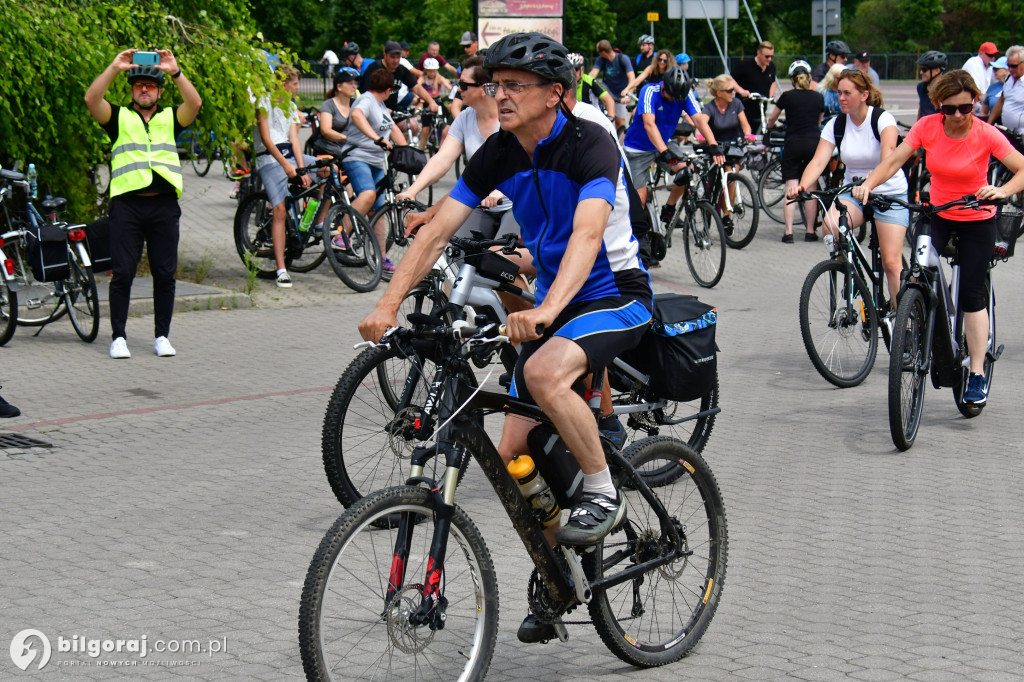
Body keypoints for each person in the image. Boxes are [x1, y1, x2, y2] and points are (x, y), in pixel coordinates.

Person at [360, 34, 652, 574]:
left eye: (516, 85)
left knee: (542, 372)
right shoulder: (499, 151)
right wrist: (388, 303)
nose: (502, 96)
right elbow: (438, 228)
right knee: (515, 452)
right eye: (497, 85)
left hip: (613, 294)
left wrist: (544, 310)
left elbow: (588, 238)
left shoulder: (592, 144)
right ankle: (555, 574)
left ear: (555, 94)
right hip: (554, 299)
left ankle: (603, 488)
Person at [853, 69, 1024, 405]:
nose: (959, 115)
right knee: (916, 274)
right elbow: (895, 161)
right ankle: (924, 316)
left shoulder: (986, 134)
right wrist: (869, 184)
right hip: (938, 215)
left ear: (974, 102)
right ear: (937, 106)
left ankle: (975, 373)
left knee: (972, 295)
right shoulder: (927, 128)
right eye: (950, 109)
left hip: (977, 218)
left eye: (966, 108)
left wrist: (1000, 190)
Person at [85, 48, 201, 359]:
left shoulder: (169, 117)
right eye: (139, 86)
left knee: (165, 273)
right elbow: (91, 100)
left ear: (159, 91)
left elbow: (195, 103)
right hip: (127, 207)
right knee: (122, 272)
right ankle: (118, 336)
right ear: (133, 90)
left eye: (150, 86)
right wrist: (114, 67)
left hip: (163, 206)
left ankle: (162, 336)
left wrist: (175, 71)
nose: (145, 90)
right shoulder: (119, 117)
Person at [795, 69, 909, 306]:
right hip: (855, 193)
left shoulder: (882, 119)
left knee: (890, 263)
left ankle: (902, 321)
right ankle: (853, 275)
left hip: (889, 192)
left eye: (848, 93)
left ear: (864, 94)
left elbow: (888, 156)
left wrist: (871, 181)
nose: (841, 98)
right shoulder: (836, 125)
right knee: (830, 228)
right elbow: (818, 161)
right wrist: (802, 186)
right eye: (839, 93)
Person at [398, 61, 515, 238]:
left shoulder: (509, 118)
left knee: (502, 256)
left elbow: (523, 164)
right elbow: (442, 159)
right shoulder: (465, 119)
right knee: (456, 248)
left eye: (463, 85)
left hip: (514, 204)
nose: (458, 90)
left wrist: (500, 190)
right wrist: (412, 190)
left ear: (484, 89)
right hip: (477, 203)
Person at [622, 66, 724, 231]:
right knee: (638, 199)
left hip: (664, 142)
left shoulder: (684, 94)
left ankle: (669, 209)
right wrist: (664, 152)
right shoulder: (649, 91)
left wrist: (713, 145)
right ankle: (639, 237)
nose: (675, 101)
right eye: (672, 97)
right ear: (664, 87)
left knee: (687, 173)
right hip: (638, 148)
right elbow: (649, 124)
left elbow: (698, 119)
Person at [253, 65, 324, 289]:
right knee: (280, 210)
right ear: (283, 85)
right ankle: (281, 269)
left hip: (289, 156)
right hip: (270, 158)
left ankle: (312, 222)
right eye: (294, 84)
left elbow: (294, 139)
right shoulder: (264, 102)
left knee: (326, 170)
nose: (297, 88)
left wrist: (301, 169)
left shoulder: (291, 106)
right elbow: (266, 138)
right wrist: (286, 166)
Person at [341, 67, 408, 276]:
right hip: (358, 157)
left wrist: (407, 150)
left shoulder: (381, 106)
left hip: (378, 161)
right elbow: (357, 115)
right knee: (368, 194)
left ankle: (380, 256)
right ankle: (340, 235)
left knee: (380, 211)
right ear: (387, 89)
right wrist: (376, 138)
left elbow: (393, 129)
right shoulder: (367, 101)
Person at [766, 60, 824, 241]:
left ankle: (789, 232)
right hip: (813, 144)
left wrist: (770, 126)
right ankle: (810, 231)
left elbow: (773, 117)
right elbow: (819, 121)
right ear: (809, 77)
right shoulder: (818, 97)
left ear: (792, 80)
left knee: (791, 187)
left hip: (792, 143)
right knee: (810, 189)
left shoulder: (787, 96)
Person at [693, 74, 755, 232]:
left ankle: (727, 216)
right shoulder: (710, 107)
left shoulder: (736, 104)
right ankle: (707, 215)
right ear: (719, 93)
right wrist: (700, 136)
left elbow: (745, 125)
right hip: (716, 150)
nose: (733, 93)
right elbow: (701, 124)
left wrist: (748, 135)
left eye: (733, 90)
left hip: (733, 148)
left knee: (731, 178)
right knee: (711, 186)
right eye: (729, 91)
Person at [362, 41, 439, 118]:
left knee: (413, 126)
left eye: (398, 57)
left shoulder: (401, 69)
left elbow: (416, 87)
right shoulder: (375, 68)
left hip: (393, 109)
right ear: (385, 55)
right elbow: (366, 93)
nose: (395, 61)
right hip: (375, 110)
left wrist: (431, 101)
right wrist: (379, 109)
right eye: (392, 57)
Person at [731, 41, 778, 132]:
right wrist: (741, 91)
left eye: (771, 56)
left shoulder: (771, 66)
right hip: (745, 108)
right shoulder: (745, 65)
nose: (769, 59)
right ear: (758, 53)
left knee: (760, 133)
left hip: (761, 107)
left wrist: (771, 96)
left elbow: (773, 82)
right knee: (745, 133)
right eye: (767, 56)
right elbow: (731, 80)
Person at [590, 39, 635, 131]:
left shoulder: (623, 59)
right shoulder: (601, 59)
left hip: (621, 92)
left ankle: (619, 142)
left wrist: (628, 94)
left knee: (620, 123)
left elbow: (632, 77)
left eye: (598, 52)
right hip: (608, 90)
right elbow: (593, 74)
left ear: (603, 52)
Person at [316, 69, 358, 158]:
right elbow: (326, 131)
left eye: (355, 83)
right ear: (339, 87)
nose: (355, 87)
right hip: (331, 149)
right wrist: (346, 138)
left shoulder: (357, 104)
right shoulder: (328, 105)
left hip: (351, 148)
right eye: (350, 83)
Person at [416, 58, 453, 149]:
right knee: (425, 128)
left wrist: (453, 95)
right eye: (429, 71)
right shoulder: (422, 78)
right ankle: (421, 148)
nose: (432, 73)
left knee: (448, 117)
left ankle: (446, 143)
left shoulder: (439, 78)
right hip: (426, 102)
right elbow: (417, 87)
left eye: (434, 71)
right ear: (426, 71)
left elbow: (449, 88)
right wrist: (418, 98)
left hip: (438, 101)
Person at [568, 53, 615, 121]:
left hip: (593, 119)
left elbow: (609, 100)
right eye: (569, 70)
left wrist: (610, 118)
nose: (572, 73)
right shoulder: (563, 83)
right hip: (574, 119)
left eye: (575, 69)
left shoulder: (590, 81)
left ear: (582, 70)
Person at [987, 46, 1024, 130]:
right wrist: (989, 124)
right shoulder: (1008, 78)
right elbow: (1001, 101)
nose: (1010, 69)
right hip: (1008, 131)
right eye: (1008, 65)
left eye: (1014, 66)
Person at [916, 50, 947, 119]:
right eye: (921, 69)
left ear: (937, 70)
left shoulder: (946, 89)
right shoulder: (921, 87)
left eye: (924, 69)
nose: (921, 72)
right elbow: (921, 109)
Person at [980, 55, 1009, 120]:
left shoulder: (1016, 86)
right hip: (995, 125)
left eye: (996, 69)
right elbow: (984, 112)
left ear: (1006, 70)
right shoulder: (992, 87)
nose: (993, 71)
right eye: (993, 69)